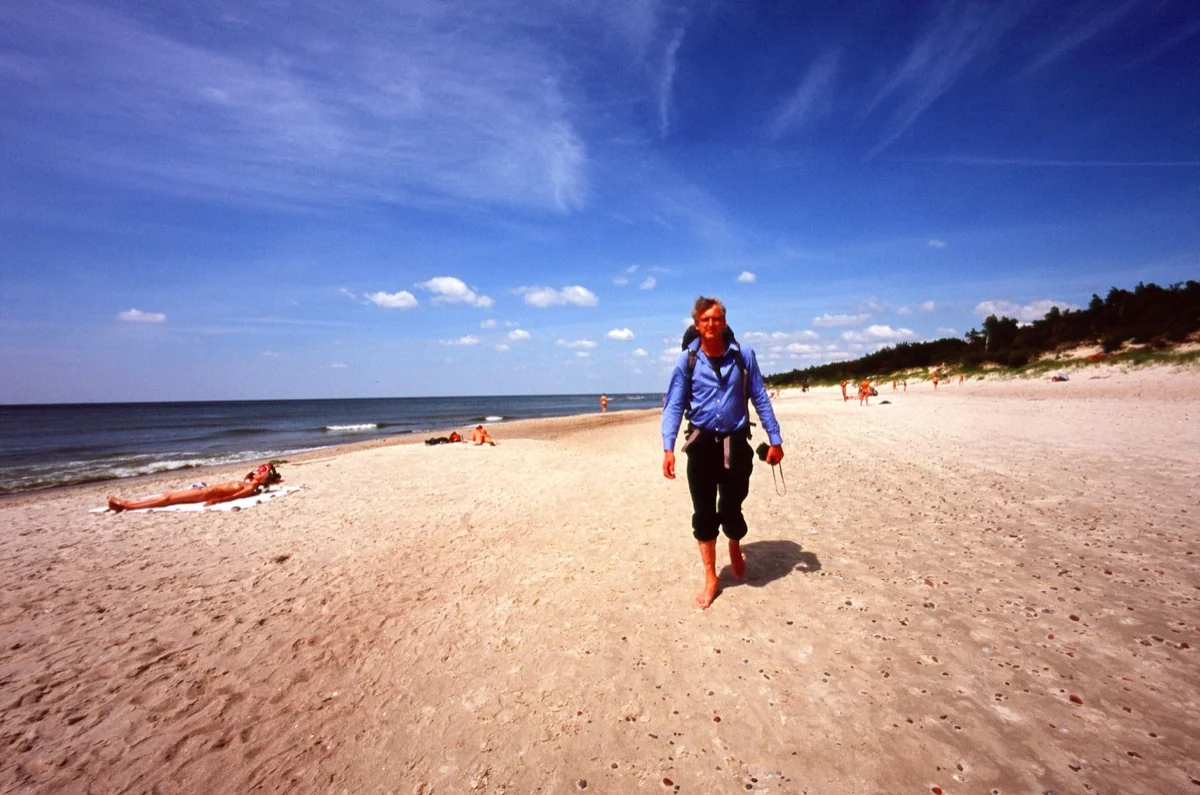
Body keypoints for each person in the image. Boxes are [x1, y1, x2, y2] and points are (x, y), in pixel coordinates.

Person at [662, 296, 784, 609]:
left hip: (736, 443)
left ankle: (734, 542)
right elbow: (674, 405)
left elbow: (759, 396)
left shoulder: (743, 355)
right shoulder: (687, 361)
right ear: (697, 325)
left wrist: (775, 439)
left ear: (724, 322)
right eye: (705, 320)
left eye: (716, 319)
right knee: (703, 512)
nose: (711, 324)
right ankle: (710, 577)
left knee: (731, 506)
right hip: (701, 444)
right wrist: (668, 447)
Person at [107, 464, 281, 512]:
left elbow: (236, 497)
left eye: (261, 471)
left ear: (263, 478)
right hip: (204, 491)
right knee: (167, 496)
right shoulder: (250, 482)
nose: (257, 471)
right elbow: (251, 476)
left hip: (204, 495)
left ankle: (126, 505)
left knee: (167, 499)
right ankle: (128, 503)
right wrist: (266, 475)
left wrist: (217, 501)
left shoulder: (251, 487)